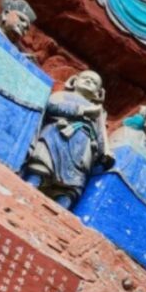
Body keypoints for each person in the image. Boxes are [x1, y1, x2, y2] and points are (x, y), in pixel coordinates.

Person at [21, 70, 110, 208]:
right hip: (57, 134)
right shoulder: (63, 95)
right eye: (85, 78)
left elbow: (100, 135)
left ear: (98, 93)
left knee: (72, 184)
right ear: (74, 81)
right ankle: (31, 184)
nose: (89, 82)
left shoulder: (98, 114)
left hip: (82, 146)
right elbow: (51, 106)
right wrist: (82, 111)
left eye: (94, 83)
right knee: (43, 162)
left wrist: (104, 152)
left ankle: (62, 207)